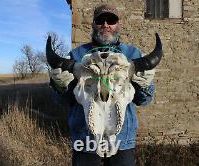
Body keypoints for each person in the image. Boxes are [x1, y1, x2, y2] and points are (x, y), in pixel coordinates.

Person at [49, 4, 156, 166]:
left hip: (122, 141)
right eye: (100, 20)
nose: (105, 25)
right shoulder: (76, 55)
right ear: (93, 24)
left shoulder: (133, 54)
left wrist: (146, 85)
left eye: (111, 20)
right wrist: (59, 87)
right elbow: (64, 101)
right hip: (85, 140)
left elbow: (143, 100)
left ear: (118, 24)